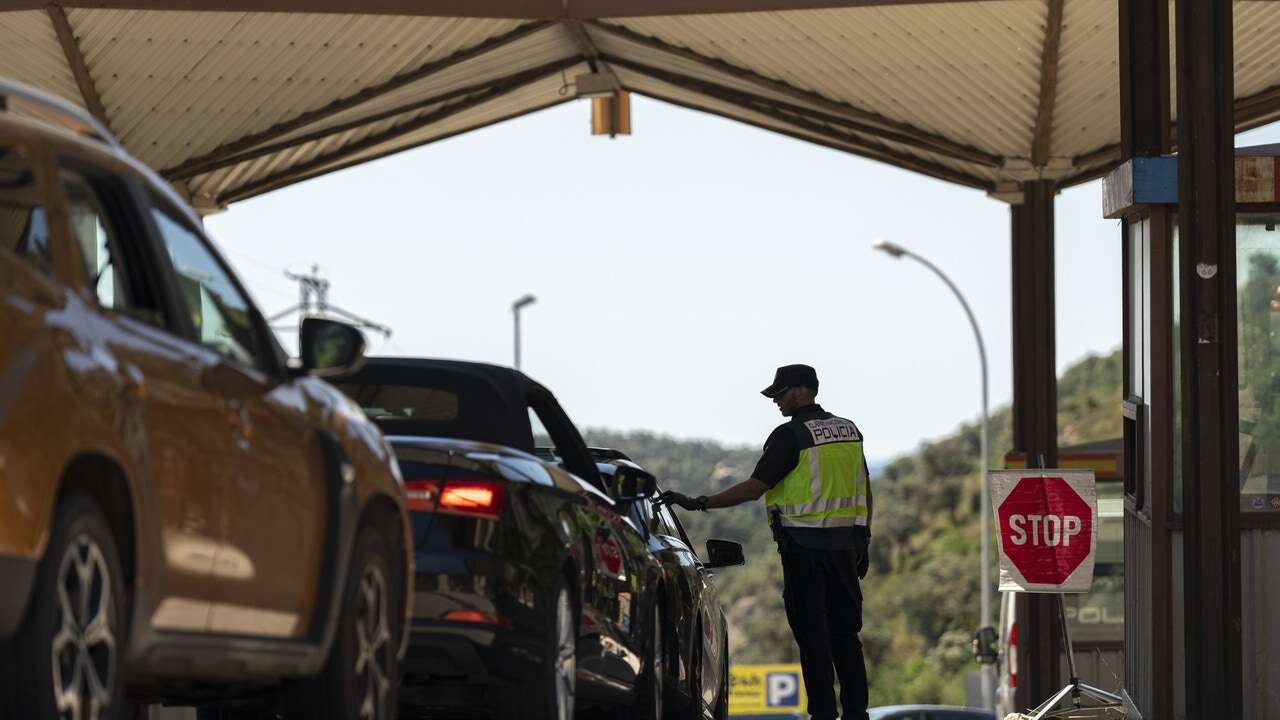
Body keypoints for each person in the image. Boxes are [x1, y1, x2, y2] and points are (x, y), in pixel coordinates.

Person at [659, 364, 872, 720]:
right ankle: (856, 714)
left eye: (781, 393)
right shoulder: (849, 431)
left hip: (804, 549)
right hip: (846, 548)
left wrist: (700, 502)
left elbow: (755, 488)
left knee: (813, 639)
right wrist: (864, 537)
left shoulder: (790, 436)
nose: (775, 401)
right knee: (846, 636)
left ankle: (823, 715)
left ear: (803, 391)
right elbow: (865, 487)